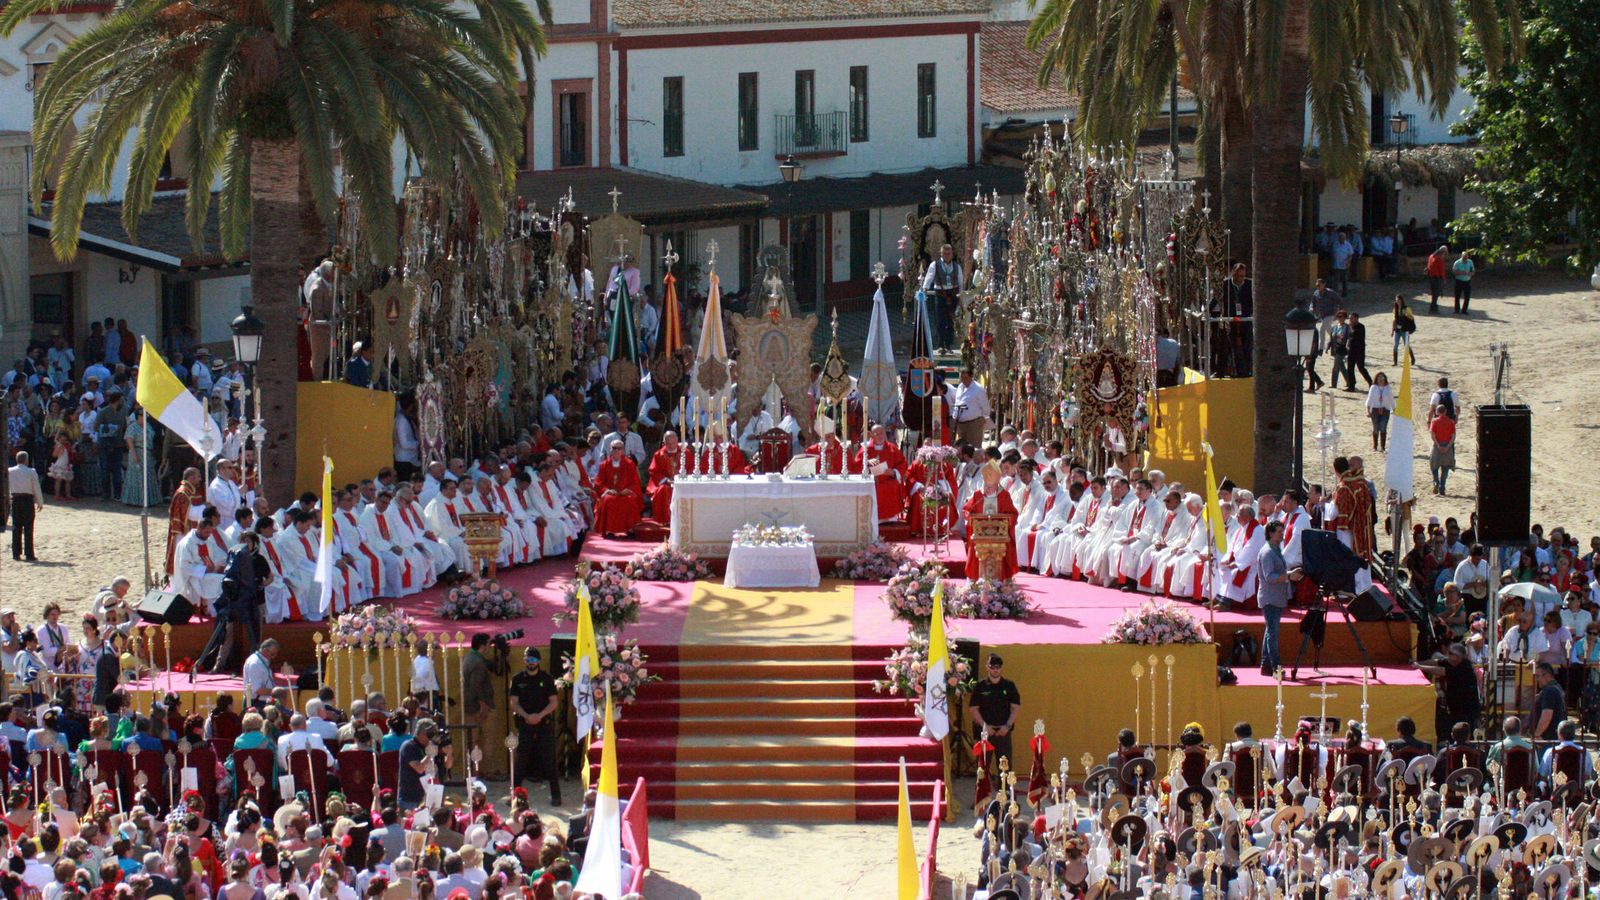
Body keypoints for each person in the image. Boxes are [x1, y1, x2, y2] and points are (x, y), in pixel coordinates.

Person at [510, 647, 561, 807]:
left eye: (532, 660)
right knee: (521, 761)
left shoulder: (546, 679)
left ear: (538, 661)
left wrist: (540, 715)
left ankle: (555, 795)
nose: (529, 663)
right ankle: (515, 797)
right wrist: (526, 716)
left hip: (544, 723)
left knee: (549, 760)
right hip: (525, 723)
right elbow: (514, 703)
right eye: (527, 660)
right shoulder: (518, 679)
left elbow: (554, 702)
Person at [968, 653, 1020, 767]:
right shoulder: (980, 686)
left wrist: (1007, 726)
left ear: (1001, 668)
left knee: (1005, 769)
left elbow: (1016, 707)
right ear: (987, 667)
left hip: (1003, 733)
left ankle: (1003, 786)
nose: (995, 670)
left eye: (998, 667)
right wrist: (985, 726)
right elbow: (973, 708)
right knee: (982, 768)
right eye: (992, 667)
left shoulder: (1009, 685)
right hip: (985, 733)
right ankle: (983, 786)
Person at [1257, 521, 1291, 675]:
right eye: (1278, 531)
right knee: (1273, 634)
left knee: (1270, 631)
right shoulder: (1268, 553)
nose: (1281, 534)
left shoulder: (1276, 550)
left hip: (1276, 597)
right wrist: (1288, 576)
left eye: (1282, 531)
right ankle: (1276, 667)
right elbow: (1269, 577)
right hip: (1270, 598)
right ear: (1270, 533)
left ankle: (1265, 665)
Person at [591, 439, 643, 538]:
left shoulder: (630, 464)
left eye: (619, 448)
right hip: (611, 493)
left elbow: (635, 481)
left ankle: (630, 529)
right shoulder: (604, 465)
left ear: (623, 450)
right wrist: (607, 490)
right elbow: (599, 482)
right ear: (610, 449)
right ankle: (610, 530)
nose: (617, 450)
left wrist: (628, 490)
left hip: (625, 492)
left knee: (630, 500)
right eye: (614, 448)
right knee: (608, 500)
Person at [922, 243, 964, 351]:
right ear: (941, 254)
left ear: (952, 254)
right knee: (940, 320)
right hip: (940, 295)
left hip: (953, 295)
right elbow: (929, 278)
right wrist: (925, 289)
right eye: (945, 253)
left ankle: (949, 344)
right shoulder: (934, 265)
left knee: (951, 321)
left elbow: (960, 282)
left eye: (949, 253)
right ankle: (941, 345)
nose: (947, 255)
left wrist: (961, 295)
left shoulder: (956, 266)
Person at [8, 451, 42, 561]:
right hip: (27, 500)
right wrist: (39, 502)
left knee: (16, 526)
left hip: (15, 499)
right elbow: (36, 487)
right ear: (26, 460)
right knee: (28, 527)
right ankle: (29, 553)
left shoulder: (10, 471)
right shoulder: (31, 471)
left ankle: (16, 553)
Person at [949, 369, 990, 448]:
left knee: (973, 447)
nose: (963, 380)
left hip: (974, 423)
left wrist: (983, 418)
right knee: (961, 447)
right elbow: (958, 402)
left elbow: (985, 406)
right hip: (960, 424)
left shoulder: (978, 389)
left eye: (966, 378)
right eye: (962, 378)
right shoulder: (960, 387)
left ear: (971, 377)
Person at [1532, 662, 1565, 741]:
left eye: (1537, 676)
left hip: (1547, 739)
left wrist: (1537, 735)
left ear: (1547, 675)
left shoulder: (1549, 691)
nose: (1536, 679)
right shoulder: (1555, 688)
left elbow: (1546, 716)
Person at [1429, 406, 1456, 496]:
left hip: (1438, 446)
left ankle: (1436, 482)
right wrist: (1448, 446)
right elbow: (1453, 436)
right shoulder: (1451, 422)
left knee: (1434, 466)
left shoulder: (1435, 421)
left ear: (1437, 412)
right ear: (1445, 411)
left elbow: (1433, 435)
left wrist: (1438, 445)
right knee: (1445, 467)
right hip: (1447, 446)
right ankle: (1442, 487)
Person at [1365, 372, 1395, 451]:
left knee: (1383, 428)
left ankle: (1383, 447)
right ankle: (1375, 446)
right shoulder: (1373, 388)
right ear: (1376, 379)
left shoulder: (1388, 388)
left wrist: (1394, 409)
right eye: (1379, 378)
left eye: (1382, 378)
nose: (1381, 379)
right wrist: (1368, 411)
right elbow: (1370, 399)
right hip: (1375, 409)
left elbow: (1391, 399)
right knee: (1376, 428)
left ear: (1385, 379)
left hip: (1385, 410)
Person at [1390, 294, 1416, 365]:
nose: (1397, 301)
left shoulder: (1407, 309)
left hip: (1405, 330)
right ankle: (1395, 362)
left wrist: (1406, 315)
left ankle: (1413, 359)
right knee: (1395, 345)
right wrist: (1392, 330)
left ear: (1402, 300)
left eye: (1399, 300)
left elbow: (1412, 318)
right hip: (1397, 330)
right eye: (1396, 300)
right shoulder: (1395, 309)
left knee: (1406, 345)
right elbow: (1394, 320)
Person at [1451, 249, 1475, 313]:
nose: (1465, 259)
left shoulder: (1470, 262)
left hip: (1467, 281)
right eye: (1464, 258)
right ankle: (1456, 310)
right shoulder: (1457, 263)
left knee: (1467, 297)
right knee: (1457, 296)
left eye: (1466, 258)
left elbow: (1473, 271)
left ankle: (1464, 310)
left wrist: (1470, 274)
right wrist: (1460, 272)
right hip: (1459, 281)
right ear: (1461, 257)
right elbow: (1453, 272)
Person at [1426, 245, 1449, 312]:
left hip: (1431, 277)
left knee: (1434, 293)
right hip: (1436, 278)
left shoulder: (1431, 256)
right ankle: (1433, 308)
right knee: (1436, 294)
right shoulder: (1439, 259)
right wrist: (1444, 279)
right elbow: (1441, 270)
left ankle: (1433, 307)